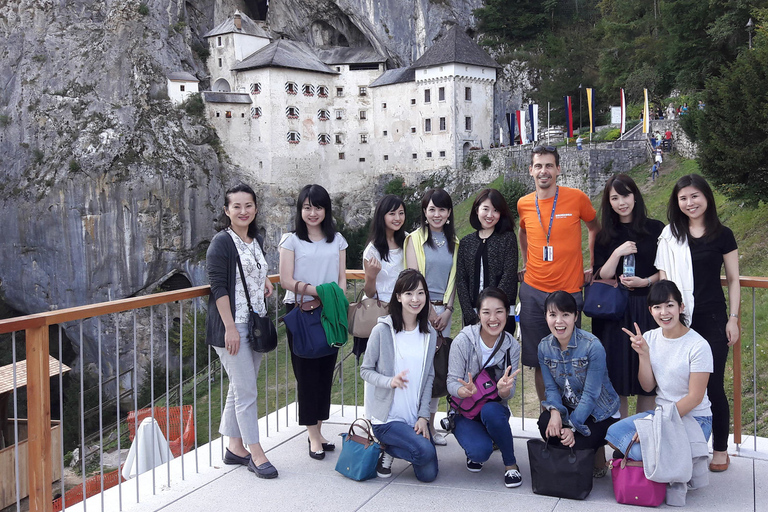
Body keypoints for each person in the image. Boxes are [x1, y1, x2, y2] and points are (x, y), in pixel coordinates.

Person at [654, 174, 740, 472]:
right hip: (680, 320)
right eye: (683, 198)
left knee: (712, 386)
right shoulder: (670, 235)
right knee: (676, 383)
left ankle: (719, 448)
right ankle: (683, 442)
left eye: (695, 196)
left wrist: (733, 318)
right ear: (677, 203)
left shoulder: (723, 234)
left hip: (713, 318)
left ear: (706, 197)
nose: (690, 203)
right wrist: (666, 317)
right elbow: (665, 283)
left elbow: (732, 280)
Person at [606, 280, 712, 501]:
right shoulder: (651, 337)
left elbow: (695, 398)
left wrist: (655, 426)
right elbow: (647, 386)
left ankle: (666, 461)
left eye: (669, 305)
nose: (664, 312)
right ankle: (667, 461)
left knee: (640, 448)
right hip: (660, 414)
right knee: (613, 434)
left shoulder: (699, 346)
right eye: (657, 307)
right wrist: (644, 354)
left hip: (694, 420)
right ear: (650, 310)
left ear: (681, 307)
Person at [206, 183, 278, 478]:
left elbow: (252, 271)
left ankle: (234, 447)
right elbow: (219, 287)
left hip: (255, 323)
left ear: (255, 208)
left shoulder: (255, 239)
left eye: (248, 205)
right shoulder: (221, 243)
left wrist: (264, 281)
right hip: (232, 325)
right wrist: (230, 328)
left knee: (240, 386)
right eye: (236, 206)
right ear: (226, 211)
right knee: (247, 389)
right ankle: (255, 451)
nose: (243, 211)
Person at [517, 145, 600, 403]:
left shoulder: (576, 198)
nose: (544, 171)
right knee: (540, 360)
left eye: (549, 165)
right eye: (539, 166)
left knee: (574, 359)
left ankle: (574, 418)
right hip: (533, 292)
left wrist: (593, 265)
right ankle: (548, 417)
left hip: (568, 292)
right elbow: (523, 233)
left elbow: (595, 228)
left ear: (558, 169)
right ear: (531, 171)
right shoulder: (524, 204)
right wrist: (527, 261)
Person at [279, 184, 348, 460]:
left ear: (325, 209)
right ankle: (312, 435)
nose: (312, 212)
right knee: (306, 374)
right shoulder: (291, 240)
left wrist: (336, 298)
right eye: (307, 207)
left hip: (329, 310)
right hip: (301, 309)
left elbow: (342, 277)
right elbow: (285, 279)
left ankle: (318, 430)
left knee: (324, 372)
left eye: (317, 207)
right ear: (300, 210)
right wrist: (315, 291)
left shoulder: (338, 240)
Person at [592, 174, 664, 418]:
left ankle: (644, 443)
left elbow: (663, 271)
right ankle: (621, 446)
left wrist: (645, 281)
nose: (621, 202)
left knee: (648, 380)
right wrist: (617, 253)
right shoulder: (605, 234)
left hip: (648, 308)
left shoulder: (655, 229)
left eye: (625, 195)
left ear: (635, 196)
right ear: (608, 202)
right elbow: (602, 273)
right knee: (617, 378)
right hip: (614, 313)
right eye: (614, 197)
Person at [361, 269, 438, 482]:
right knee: (425, 452)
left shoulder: (429, 334)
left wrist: (423, 416)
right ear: (398, 297)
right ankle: (386, 446)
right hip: (387, 419)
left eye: (421, 293)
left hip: (413, 418)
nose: (415, 299)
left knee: (429, 475)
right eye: (409, 294)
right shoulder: (383, 331)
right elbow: (365, 370)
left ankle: (394, 449)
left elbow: (429, 377)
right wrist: (390, 381)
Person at [537, 291, 620, 477]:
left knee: (576, 440)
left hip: (600, 413)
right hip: (571, 408)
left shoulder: (592, 346)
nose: (559, 321)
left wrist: (572, 427)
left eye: (565, 314)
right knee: (546, 424)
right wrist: (555, 412)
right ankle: (579, 458)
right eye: (553, 315)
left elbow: (591, 394)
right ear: (546, 317)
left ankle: (592, 455)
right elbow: (550, 388)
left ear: (575, 316)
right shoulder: (543, 347)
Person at [447, 287, 522, 488]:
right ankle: (480, 442)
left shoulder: (512, 346)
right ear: (478, 314)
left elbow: (509, 393)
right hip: (465, 410)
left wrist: (504, 389)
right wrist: (463, 390)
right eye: (486, 312)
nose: (493, 318)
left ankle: (511, 464)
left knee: (491, 410)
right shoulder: (463, 341)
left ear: (507, 312)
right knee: (479, 453)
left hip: (493, 409)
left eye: (499, 311)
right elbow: (451, 382)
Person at [405, 187, 459, 446]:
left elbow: (454, 280)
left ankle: (430, 425)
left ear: (449, 213)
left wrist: (447, 311)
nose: (437, 214)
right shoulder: (414, 239)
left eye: (442, 209)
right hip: (418, 312)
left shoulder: (454, 242)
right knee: (418, 370)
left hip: (443, 317)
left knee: (437, 371)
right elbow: (413, 277)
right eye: (431, 209)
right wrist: (429, 311)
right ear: (425, 213)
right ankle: (413, 424)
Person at [456, 188, 518, 331]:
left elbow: (509, 275)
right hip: (472, 315)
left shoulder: (507, 238)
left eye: (495, 210)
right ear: (477, 210)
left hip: (500, 315)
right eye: (486, 209)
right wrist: (470, 314)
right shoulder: (466, 243)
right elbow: (461, 280)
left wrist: (492, 311)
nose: (490, 215)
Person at [356, 195, 407, 357]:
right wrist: (371, 276)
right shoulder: (373, 249)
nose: (397, 218)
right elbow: (369, 292)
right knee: (381, 359)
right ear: (382, 215)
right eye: (392, 213)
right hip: (381, 312)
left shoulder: (407, 240)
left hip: (404, 308)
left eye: (401, 213)